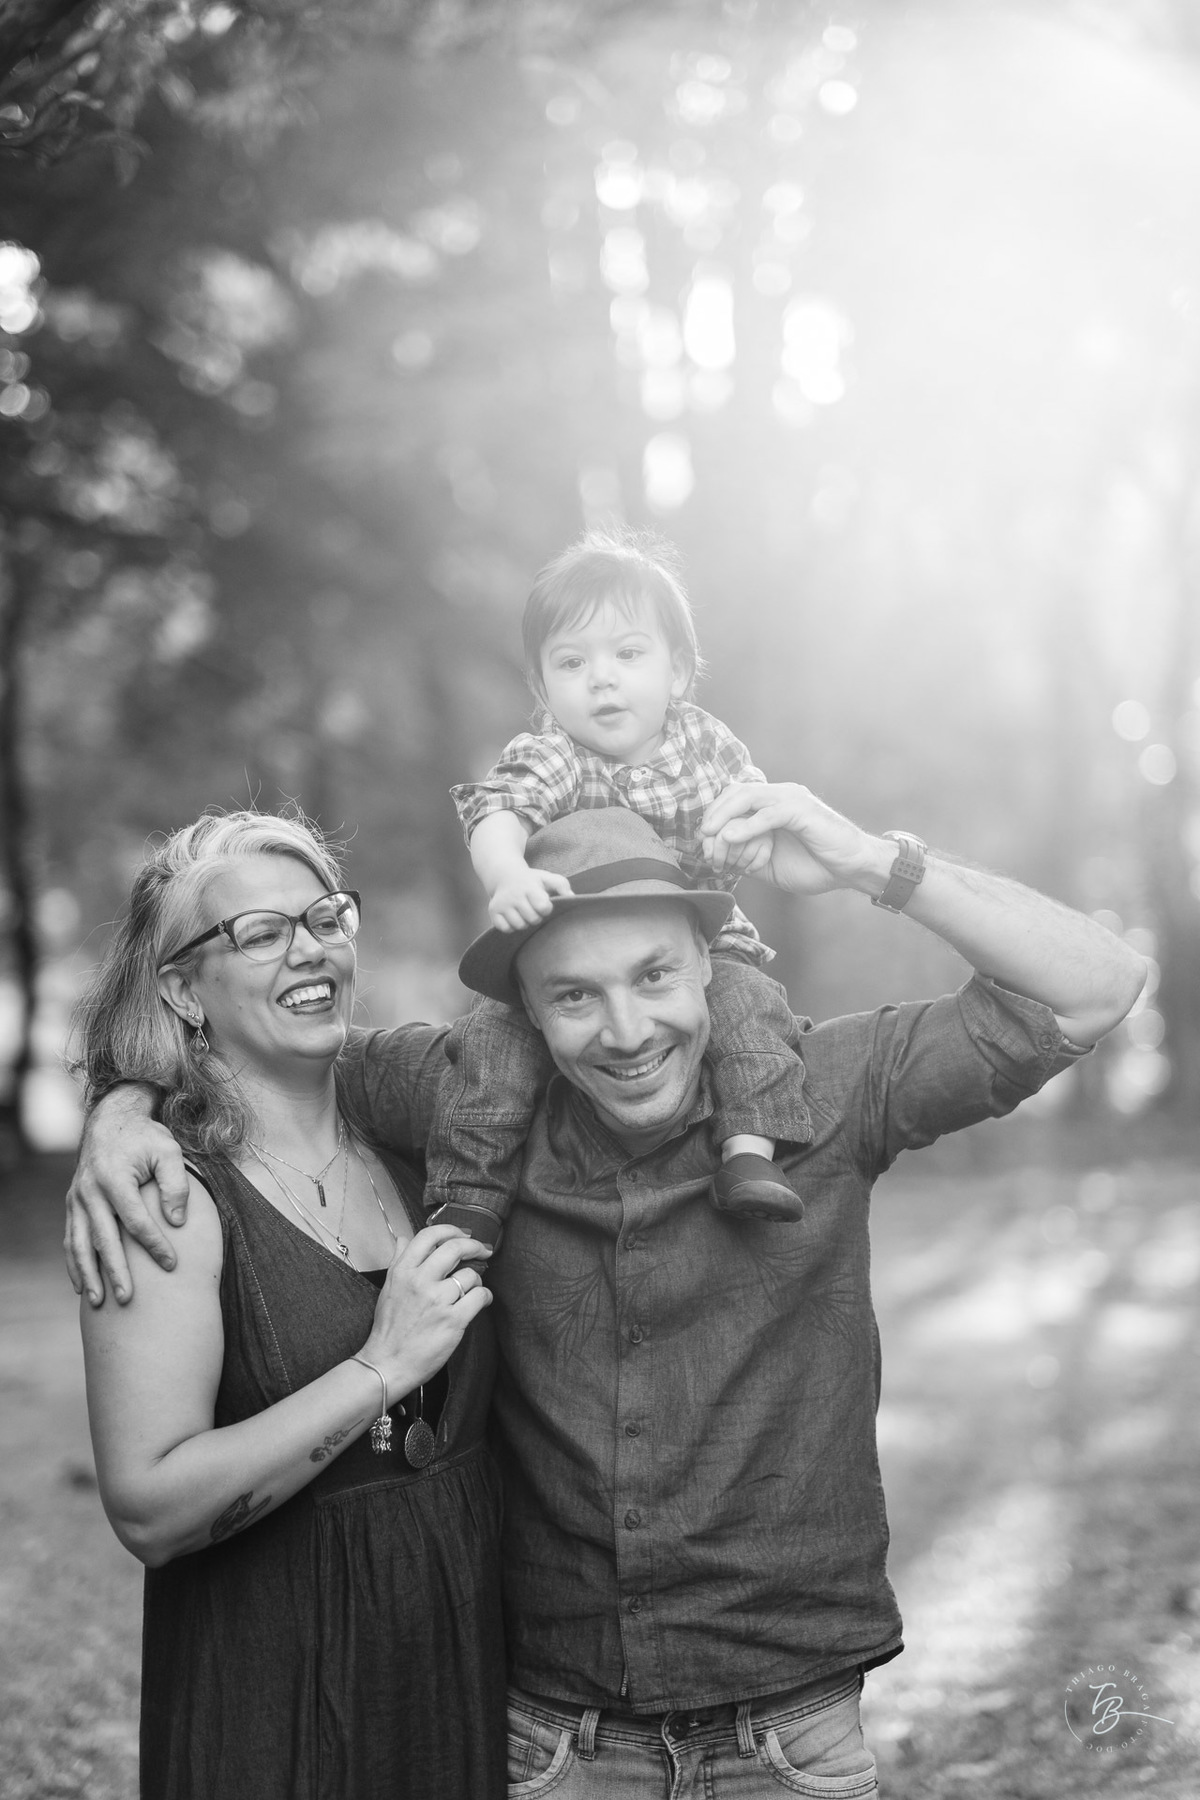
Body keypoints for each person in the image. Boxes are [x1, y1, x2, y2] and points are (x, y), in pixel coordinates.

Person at [66, 787, 1145, 1798]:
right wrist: (124, 1110)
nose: (626, 1033)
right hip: (555, 1746)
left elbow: (1097, 986)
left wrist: (873, 862)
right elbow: (260, 1042)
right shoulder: (466, 1104)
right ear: (526, 1013)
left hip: (793, 1732)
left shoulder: (831, 1089)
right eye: (574, 995)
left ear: (712, 963)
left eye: (656, 976)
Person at [70, 809, 505, 1800]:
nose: (308, 950)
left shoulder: (422, 1149)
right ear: (182, 989)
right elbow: (151, 1509)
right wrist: (381, 1369)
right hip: (275, 1694)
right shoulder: (168, 1195)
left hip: (458, 1676)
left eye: (323, 918)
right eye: (260, 934)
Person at [430, 525, 808, 1240]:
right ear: (543, 688)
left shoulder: (707, 747)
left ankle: (749, 1153)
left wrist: (757, 833)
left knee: (753, 1010)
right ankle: (470, 1194)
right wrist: (507, 873)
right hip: (568, 950)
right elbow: (499, 811)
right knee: (490, 1045)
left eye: (629, 654)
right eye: (572, 662)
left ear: (677, 672)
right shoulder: (556, 756)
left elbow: (754, 806)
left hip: (698, 940)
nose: (601, 678)